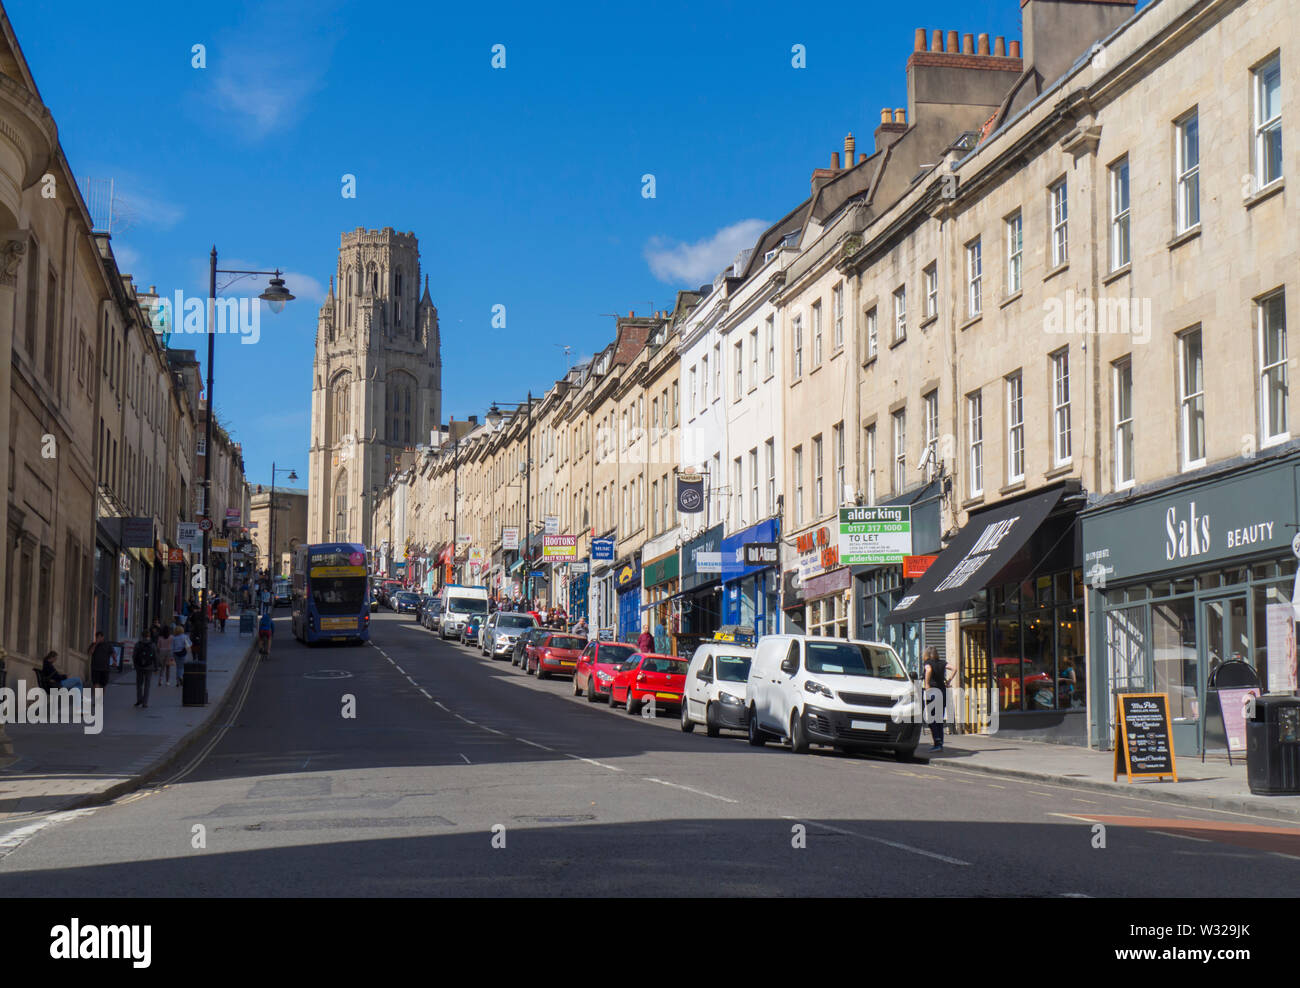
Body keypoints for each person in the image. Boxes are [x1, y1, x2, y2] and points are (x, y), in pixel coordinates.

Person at [922, 645, 951, 752]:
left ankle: (937, 742)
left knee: (931, 718)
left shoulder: (928, 663)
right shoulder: (942, 662)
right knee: (939, 718)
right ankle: (940, 743)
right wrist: (949, 681)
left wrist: (927, 684)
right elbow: (955, 668)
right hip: (942, 692)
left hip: (933, 692)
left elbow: (928, 670)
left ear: (927, 654)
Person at [133, 630, 156, 708]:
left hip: (139, 667)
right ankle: (145, 702)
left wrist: (135, 665)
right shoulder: (152, 645)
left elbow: (134, 655)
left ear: (142, 636)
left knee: (139, 684)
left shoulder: (138, 644)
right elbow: (155, 656)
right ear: (149, 636)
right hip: (149, 667)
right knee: (147, 685)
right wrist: (156, 667)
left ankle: (139, 699)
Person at [172, 623, 192, 687]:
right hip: (183, 652)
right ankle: (181, 677)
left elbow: (172, 647)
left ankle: (177, 682)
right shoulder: (185, 636)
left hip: (176, 653)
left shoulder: (174, 638)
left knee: (178, 667)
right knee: (182, 667)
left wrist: (171, 655)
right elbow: (190, 643)